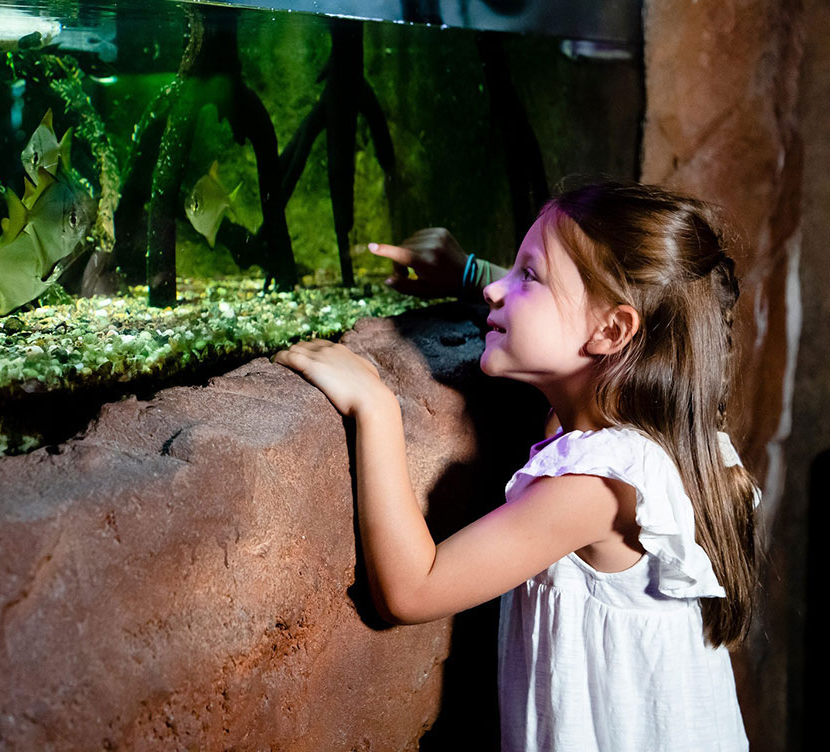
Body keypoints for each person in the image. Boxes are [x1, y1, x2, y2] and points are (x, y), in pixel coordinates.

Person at [274, 181, 755, 751]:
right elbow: (576, 315)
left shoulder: (599, 484)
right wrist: (469, 270)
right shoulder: (668, 419)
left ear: (611, 331)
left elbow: (412, 589)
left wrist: (374, 406)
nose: (500, 290)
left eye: (528, 275)